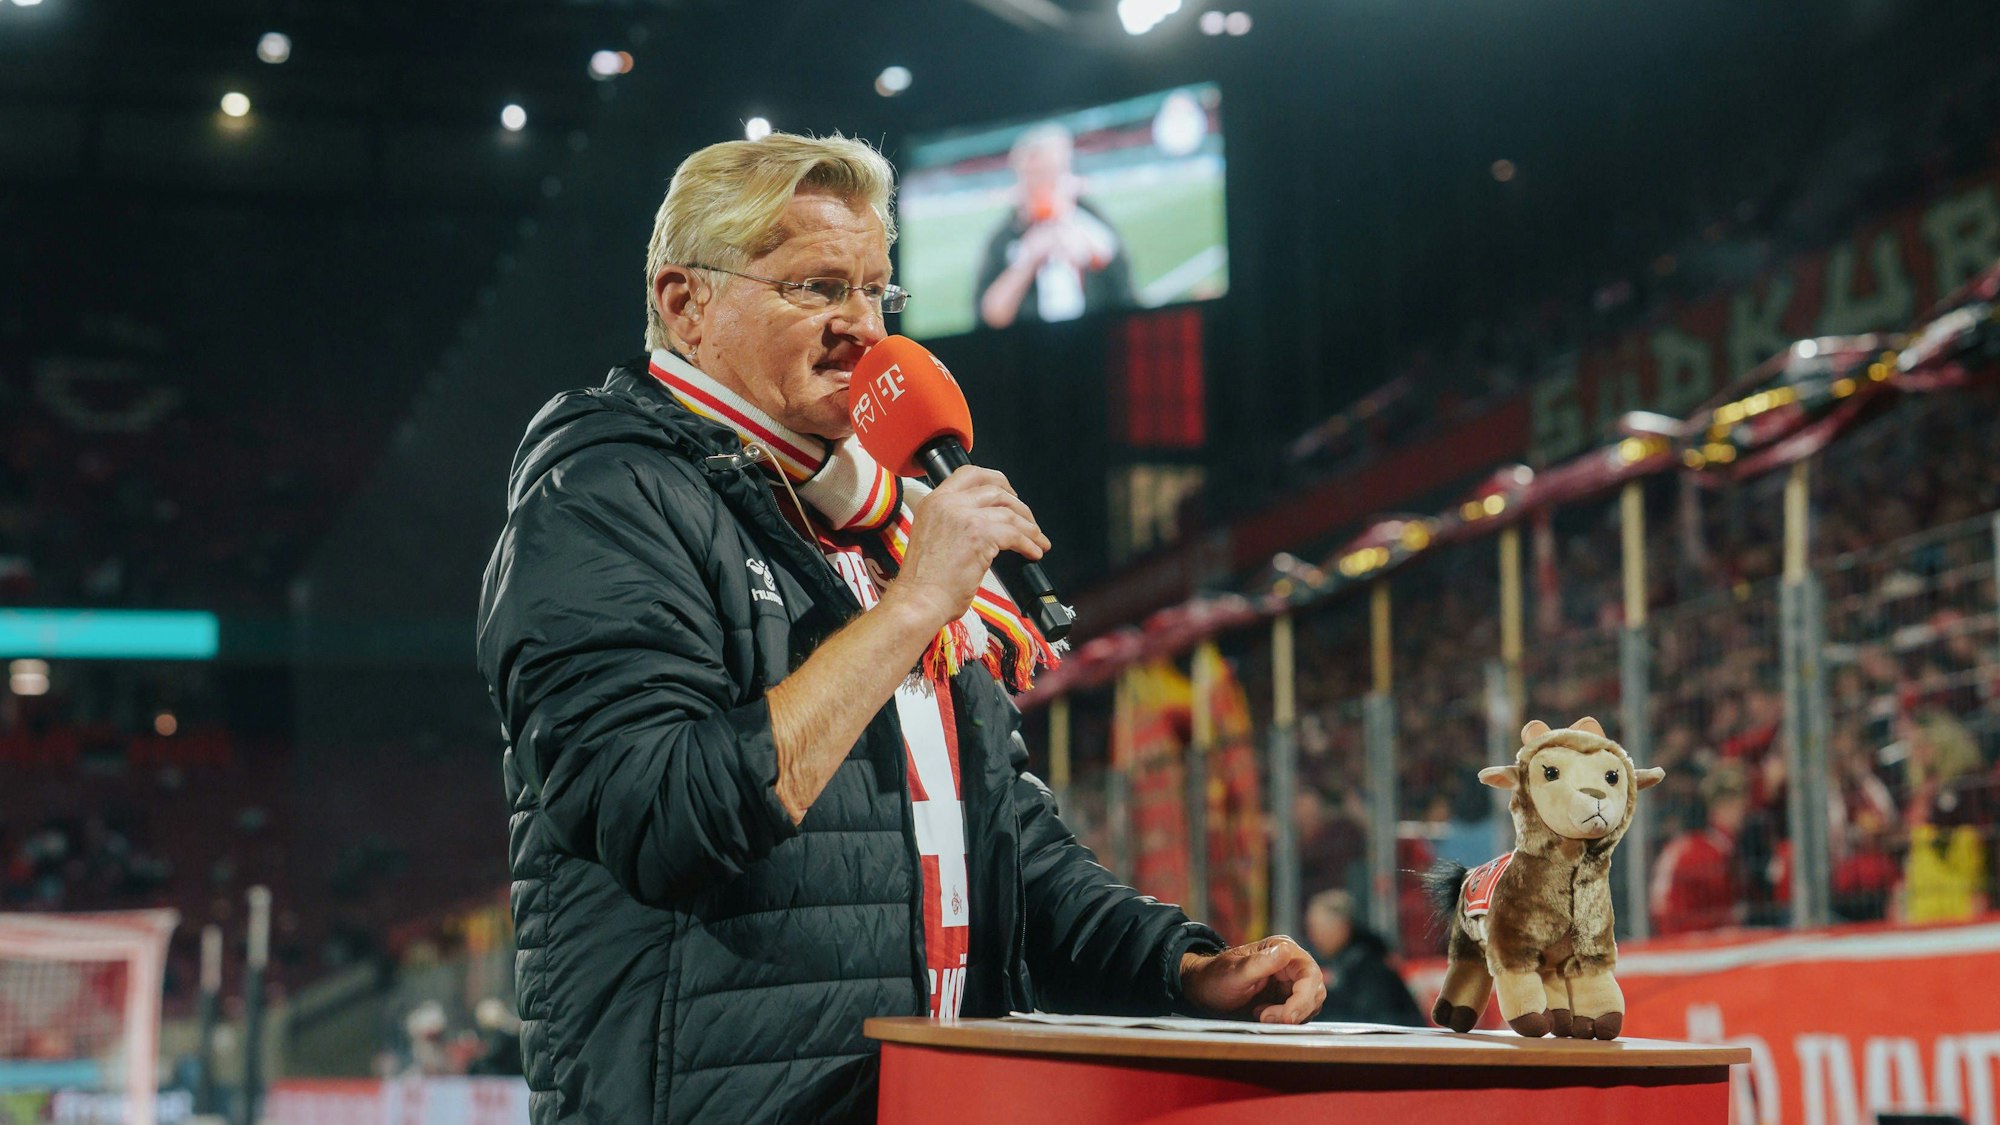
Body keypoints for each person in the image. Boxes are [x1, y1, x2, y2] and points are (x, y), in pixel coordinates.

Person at [476, 132, 1323, 1124]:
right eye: (813, 287)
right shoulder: (605, 500)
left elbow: (1006, 852)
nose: (861, 329)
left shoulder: (881, 523)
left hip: (929, 1100)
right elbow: (660, 819)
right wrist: (913, 605)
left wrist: (1182, 967)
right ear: (684, 305)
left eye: (876, 292)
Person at [974, 123, 1135, 329]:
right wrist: (1028, 262)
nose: (1040, 184)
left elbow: (1123, 288)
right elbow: (990, 315)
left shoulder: (1089, 218)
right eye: (1033, 174)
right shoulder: (1005, 236)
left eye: (1050, 173)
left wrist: (1077, 239)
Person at [1648, 762, 1750, 935]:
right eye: (1737, 804)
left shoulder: (1685, 845)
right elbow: (1727, 915)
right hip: (1691, 939)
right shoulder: (1712, 852)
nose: (1744, 812)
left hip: (1666, 936)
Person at [1302, 890, 1423, 1026]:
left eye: (1318, 929)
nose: (1313, 936)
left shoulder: (1370, 963)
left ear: (1343, 927)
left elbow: (1367, 1020)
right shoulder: (1329, 959)